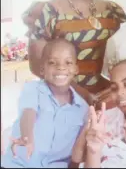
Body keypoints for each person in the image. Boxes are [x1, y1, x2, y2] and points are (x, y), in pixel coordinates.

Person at [22, 0, 126, 102]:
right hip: (63, 96)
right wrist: (81, 94)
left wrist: (115, 91)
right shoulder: (47, 12)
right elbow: (38, 67)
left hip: (108, 96)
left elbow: (118, 56)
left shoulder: (110, 10)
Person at [1, 39, 89, 168]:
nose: (61, 67)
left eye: (68, 62)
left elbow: (78, 149)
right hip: (19, 164)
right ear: (42, 69)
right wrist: (27, 137)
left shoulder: (83, 109)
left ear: (76, 69)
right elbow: (28, 112)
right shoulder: (33, 89)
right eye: (52, 62)